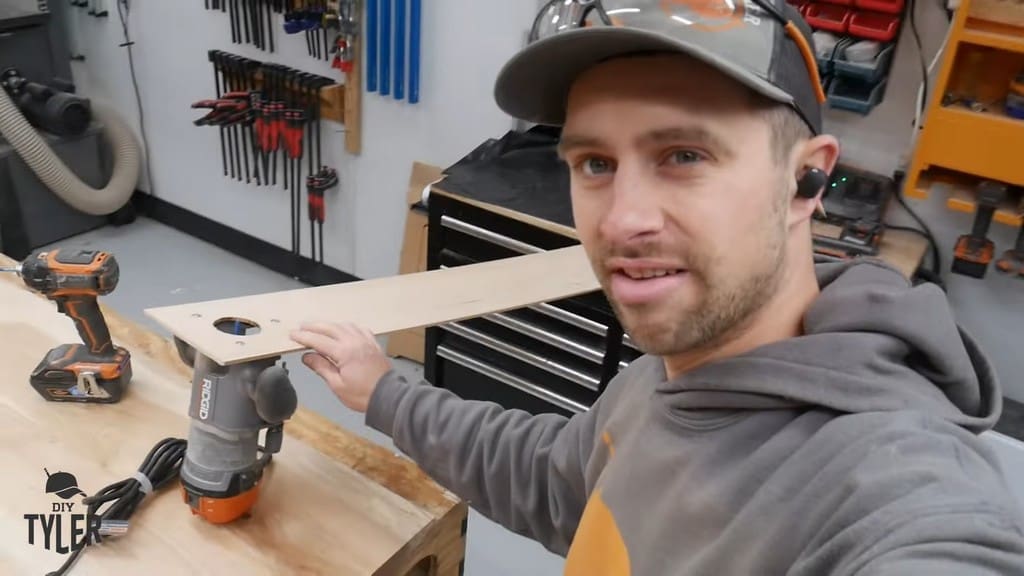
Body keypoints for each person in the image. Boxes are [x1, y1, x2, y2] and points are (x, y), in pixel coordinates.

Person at [291, 0, 1024, 573]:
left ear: (808, 181)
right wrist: (384, 390)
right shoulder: (668, 377)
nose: (624, 221)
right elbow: (560, 479)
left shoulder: (889, 485)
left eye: (683, 154)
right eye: (594, 164)